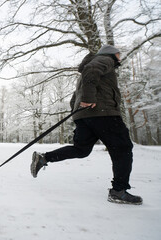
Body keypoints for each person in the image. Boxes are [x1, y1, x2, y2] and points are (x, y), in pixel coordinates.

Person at [30, 45, 143, 205]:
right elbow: (91, 71)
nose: (119, 57)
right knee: (123, 148)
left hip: (85, 116)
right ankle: (119, 191)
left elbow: (74, 98)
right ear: (110, 53)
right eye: (118, 54)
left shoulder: (85, 74)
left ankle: (44, 158)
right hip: (104, 113)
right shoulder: (104, 60)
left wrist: (79, 112)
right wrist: (90, 99)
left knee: (80, 150)